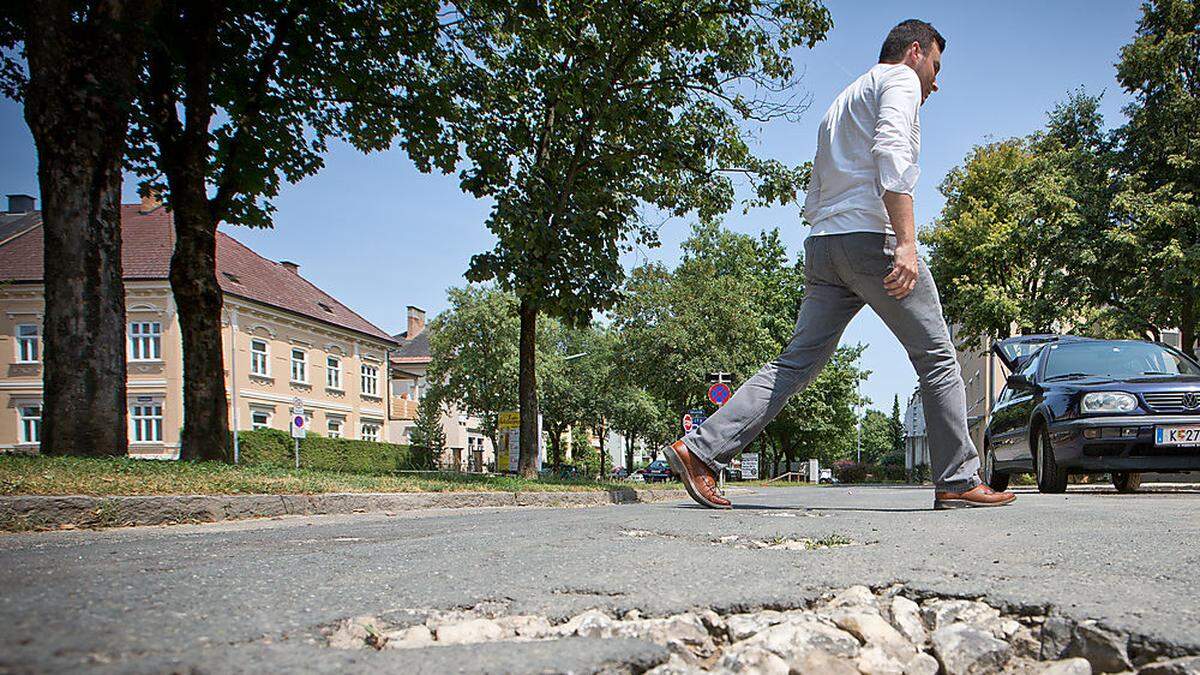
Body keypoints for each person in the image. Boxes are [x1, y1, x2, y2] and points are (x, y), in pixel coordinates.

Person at [663, 19, 1016, 511]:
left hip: (825, 245)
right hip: (873, 241)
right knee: (938, 358)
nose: (937, 80)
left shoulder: (843, 99)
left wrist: (829, 234)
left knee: (795, 363)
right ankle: (958, 480)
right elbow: (893, 154)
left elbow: (816, 185)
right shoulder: (899, 82)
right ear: (915, 52)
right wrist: (907, 244)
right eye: (936, 66)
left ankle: (700, 450)